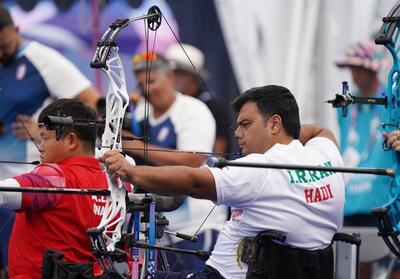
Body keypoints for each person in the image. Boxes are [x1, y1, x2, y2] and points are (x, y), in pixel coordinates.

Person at [101, 85, 346, 279]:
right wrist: (288, 137)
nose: (237, 133)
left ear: (274, 123)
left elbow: (193, 181)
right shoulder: (325, 154)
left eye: (245, 125)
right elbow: (320, 131)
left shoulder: (260, 170)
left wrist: (130, 172)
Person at [0, 4, 101, 274]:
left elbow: (92, 104)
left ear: (16, 30)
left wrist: (40, 131)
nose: (0, 54)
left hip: (29, 185)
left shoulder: (41, 58)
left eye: (4, 46)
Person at [122, 51, 228, 271]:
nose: (148, 89)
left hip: (195, 227)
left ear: (170, 77)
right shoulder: (141, 111)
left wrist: (136, 145)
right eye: (142, 84)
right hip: (153, 228)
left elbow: (193, 160)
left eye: (152, 81)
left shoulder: (193, 109)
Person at [0, 98, 107, 279]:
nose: (40, 147)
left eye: (45, 138)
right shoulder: (112, 181)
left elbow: (6, 193)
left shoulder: (55, 177)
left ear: (71, 141)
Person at [335, 40, 399, 278]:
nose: (353, 74)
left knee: (394, 259)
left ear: (371, 69)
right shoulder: (347, 104)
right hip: (351, 199)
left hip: (384, 197)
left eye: (358, 68)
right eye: (351, 68)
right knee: (355, 263)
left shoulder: (393, 100)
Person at [165, 43, 231, 155]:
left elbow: (219, 153)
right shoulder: (170, 104)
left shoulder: (214, 106)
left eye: (176, 73)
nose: (170, 78)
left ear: (190, 76)